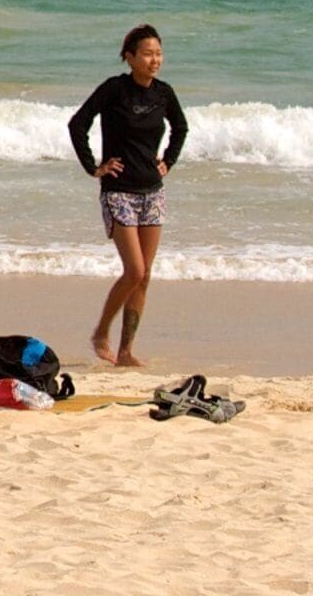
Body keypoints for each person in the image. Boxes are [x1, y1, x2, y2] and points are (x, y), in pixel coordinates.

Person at [68, 23, 188, 368]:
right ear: (130, 57)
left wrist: (169, 161)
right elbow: (78, 124)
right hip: (119, 191)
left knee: (145, 275)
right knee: (134, 270)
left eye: (159, 53)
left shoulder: (164, 94)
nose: (155, 60)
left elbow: (181, 128)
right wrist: (94, 167)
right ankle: (100, 333)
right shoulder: (113, 90)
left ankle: (125, 352)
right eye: (148, 54)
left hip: (152, 191)